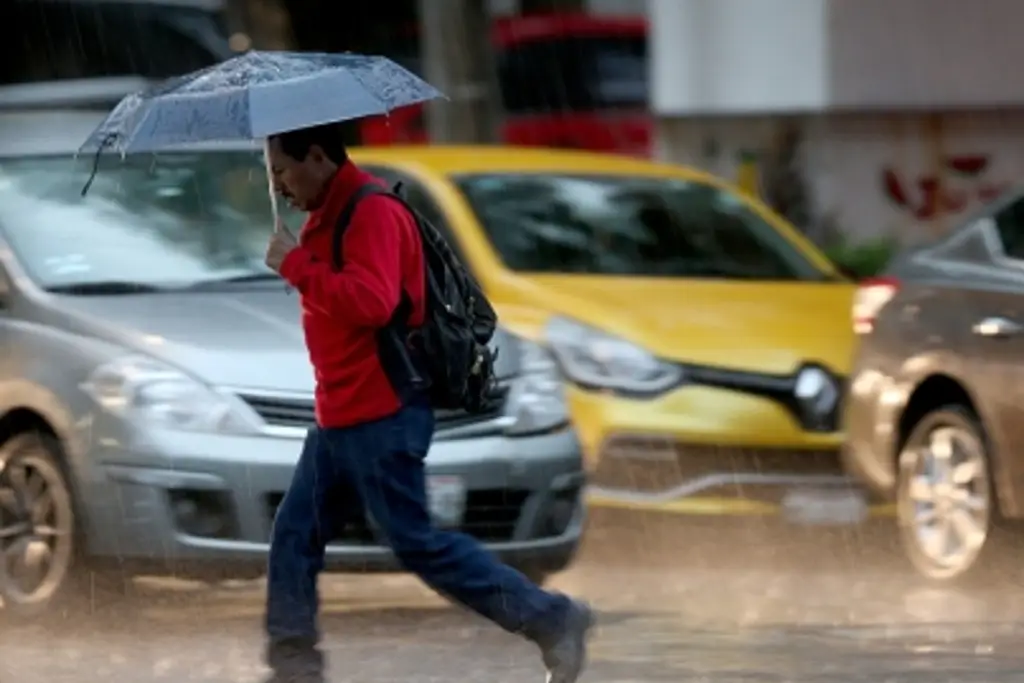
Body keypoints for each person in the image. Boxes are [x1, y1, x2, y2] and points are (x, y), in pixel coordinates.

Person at [261, 121, 593, 683]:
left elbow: (371, 301)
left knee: (420, 546)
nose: (281, 185)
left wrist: (296, 264)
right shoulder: (326, 219)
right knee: (294, 538)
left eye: (282, 170)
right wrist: (303, 261)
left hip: (380, 416)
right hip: (338, 420)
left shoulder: (371, 213)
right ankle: (294, 668)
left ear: (316, 156)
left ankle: (554, 619)